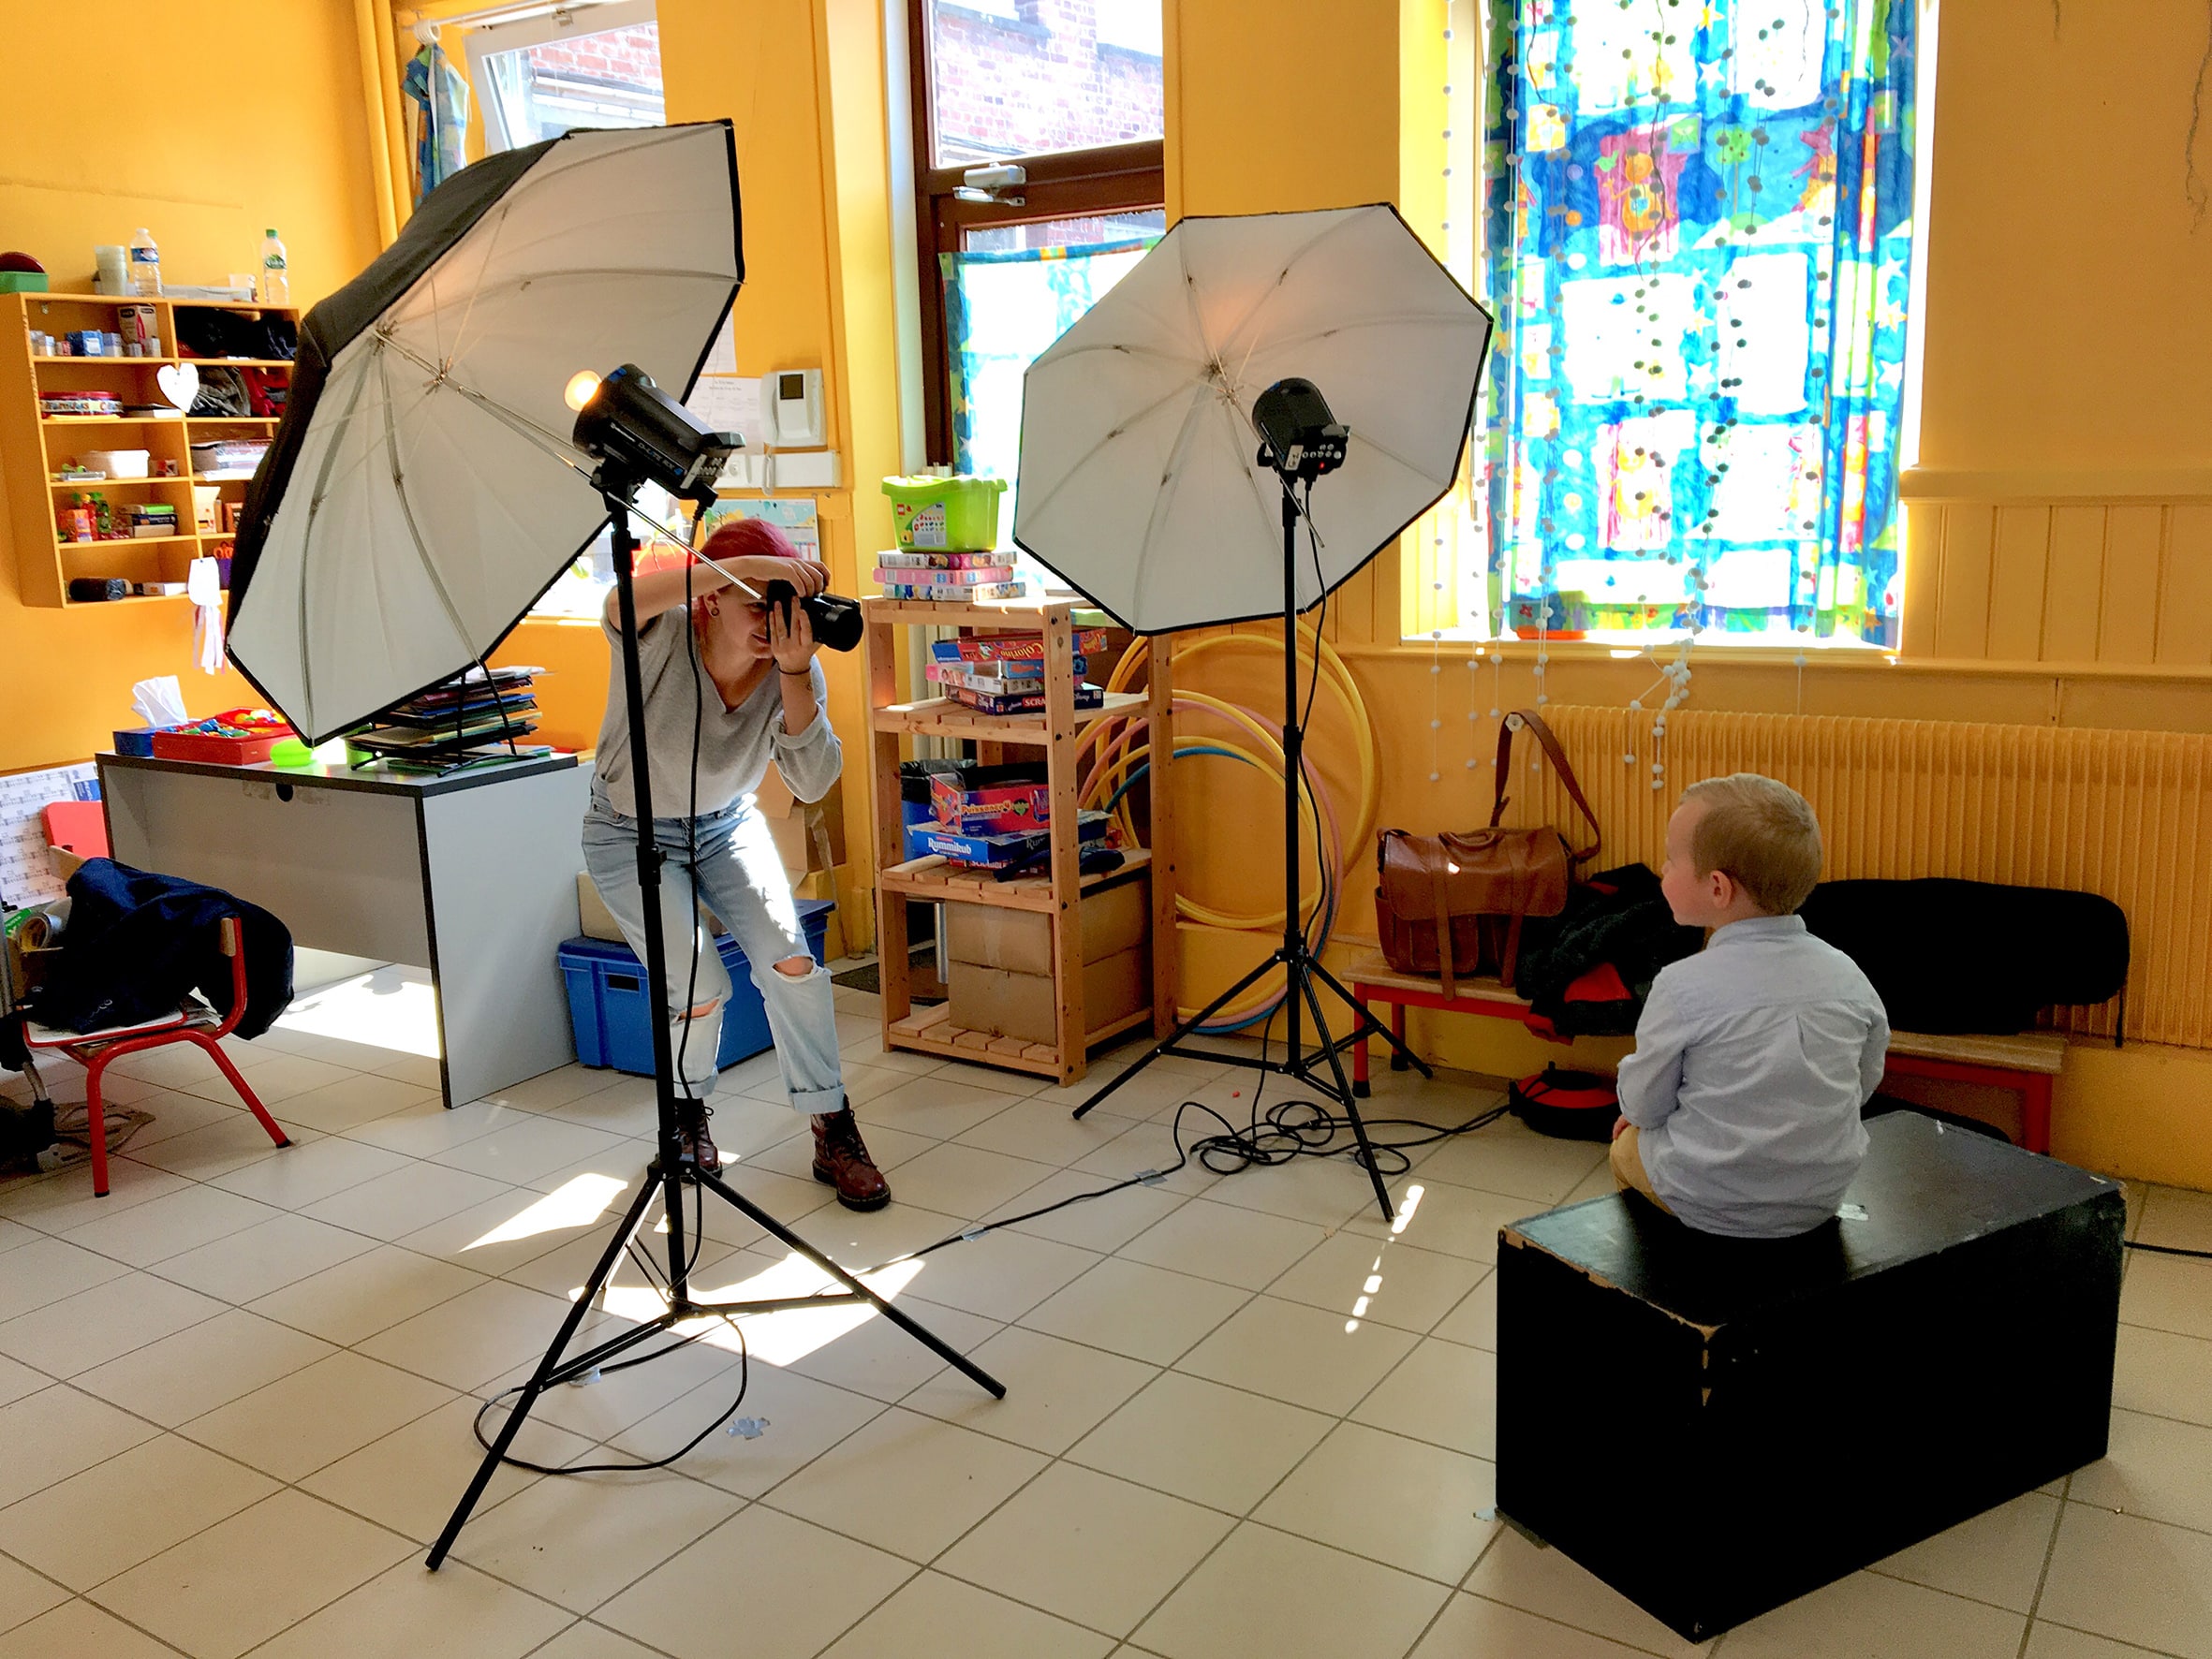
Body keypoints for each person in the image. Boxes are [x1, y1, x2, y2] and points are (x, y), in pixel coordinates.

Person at [582, 516, 890, 1210]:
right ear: (711, 598)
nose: (774, 620)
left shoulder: (793, 666)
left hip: (725, 826)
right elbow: (616, 604)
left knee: (790, 960)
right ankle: (686, 1116)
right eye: (757, 600)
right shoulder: (660, 637)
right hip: (628, 832)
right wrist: (734, 564)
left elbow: (812, 784)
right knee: (696, 983)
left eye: (784, 603)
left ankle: (830, 1122)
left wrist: (791, 675)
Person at [1609, 772, 1888, 1239]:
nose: (1662, 870)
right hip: (1821, 1197)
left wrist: (1638, 1117)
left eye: (1671, 860)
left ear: (1718, 888)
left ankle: (1650, 1272)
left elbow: (1644, 1104)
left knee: (1625, 1145)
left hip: (1708, 1202)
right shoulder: (1848, 975)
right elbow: (1863, 1081)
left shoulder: (1680, 985)